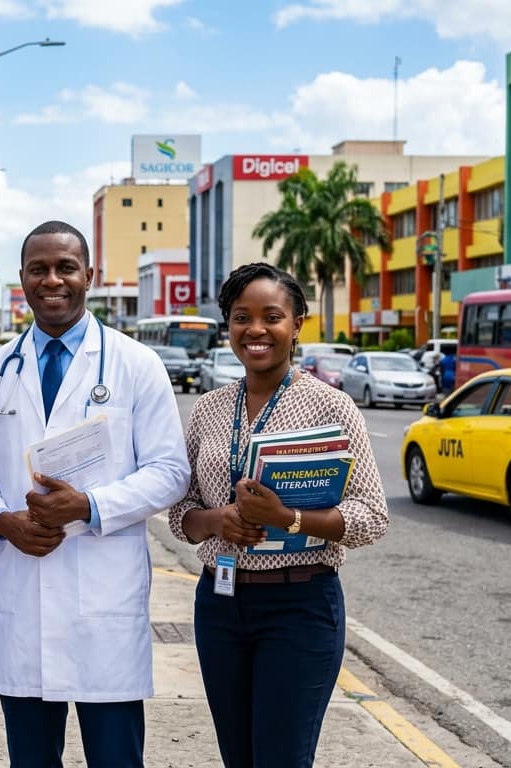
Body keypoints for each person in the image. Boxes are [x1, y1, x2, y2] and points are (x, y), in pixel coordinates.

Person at [0, 221, 189, 768]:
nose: (52, 280)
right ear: (22, 278)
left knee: (116, 759)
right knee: (31, 760)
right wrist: (2, 521)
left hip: (104, 601)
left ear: (90, 275)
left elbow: (170, 471)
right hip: (23, 592)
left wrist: (89, 506)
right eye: (39, 269)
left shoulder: (136, 364)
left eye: (65, 268)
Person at [168, 263, 389, 768]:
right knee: (238, 757)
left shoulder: (332, 407)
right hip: (220, 604)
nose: (256, 330)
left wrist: (288, 517)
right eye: (241, 317)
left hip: (300, 607)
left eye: (272, 317)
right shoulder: (207, 410)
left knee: (281, 758)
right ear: (228, 327)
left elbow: (372, 516)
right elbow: (181, 512)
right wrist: (217, 520)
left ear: (296, 324)